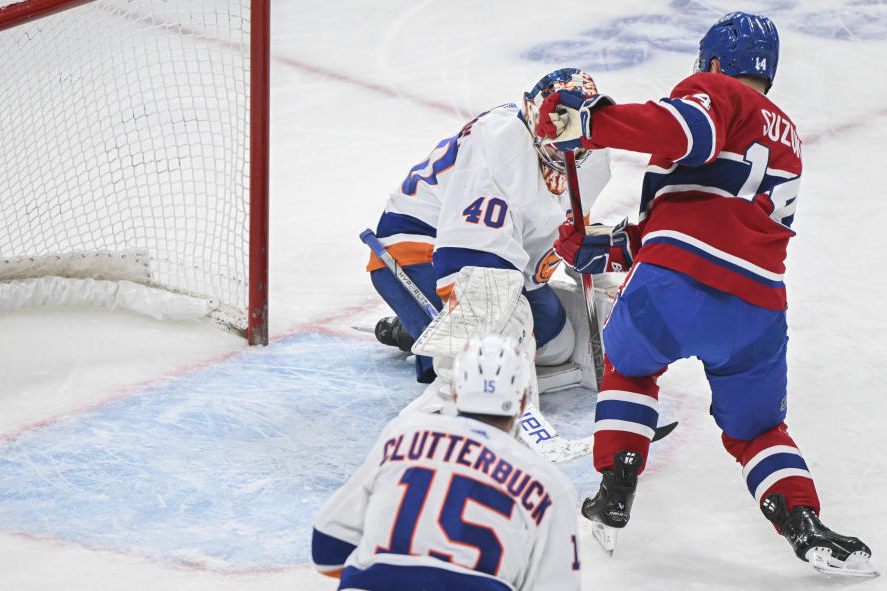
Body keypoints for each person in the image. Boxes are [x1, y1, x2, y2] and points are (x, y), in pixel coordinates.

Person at [550, 11, 876, 576]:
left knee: (628, 367)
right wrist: (605, 247)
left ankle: (615, 486)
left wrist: (595, 122)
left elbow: (683, 134)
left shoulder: (716, 91)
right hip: (757, 310)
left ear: (717, 63)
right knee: (757, 430)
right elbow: (704, 216)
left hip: (674, 287)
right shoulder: (787, 136)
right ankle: (804, 524)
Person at [367, 68, 612, 399]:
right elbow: (471, 262)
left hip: (504, 250)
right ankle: (430, 345)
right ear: (533, 116)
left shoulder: (595, 155)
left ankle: (417, 332)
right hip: (421, 243)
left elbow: (565, 228)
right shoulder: (498, 145)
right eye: (555, 128)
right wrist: (489, 357)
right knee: (491, 338)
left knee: (557, 344)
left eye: (576, 134)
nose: (565, 146)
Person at [311, 334, 582, 590]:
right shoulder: (550, 486)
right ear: (523, 403)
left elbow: (327, 547)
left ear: (455, 393)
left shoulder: (404, 435)